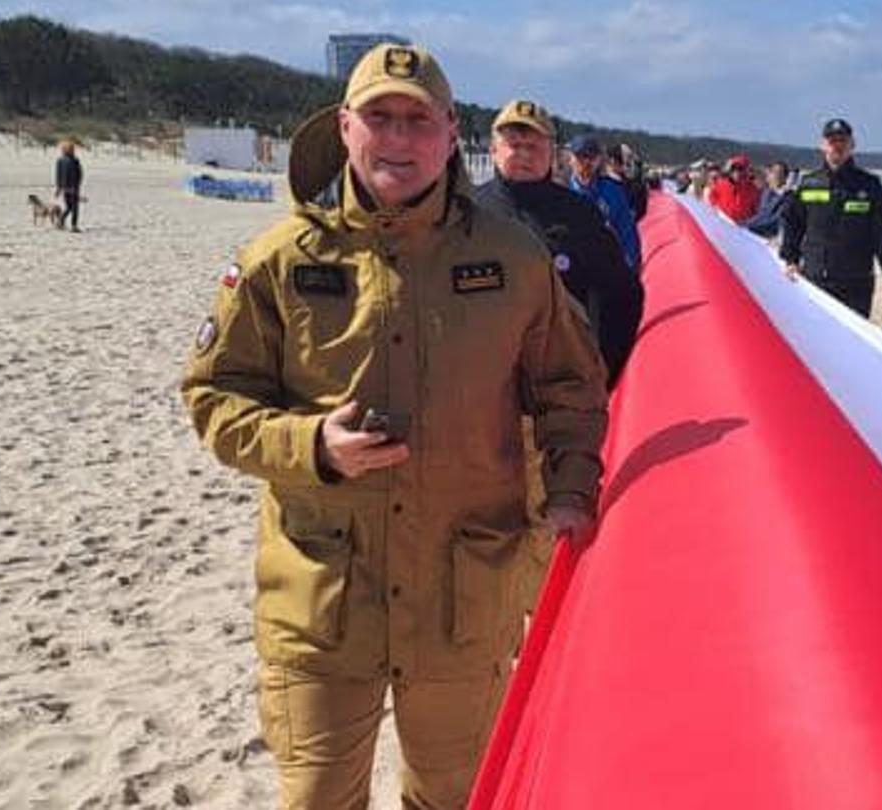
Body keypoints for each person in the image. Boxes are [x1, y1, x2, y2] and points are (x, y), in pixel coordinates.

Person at [178, 43, 609, 810]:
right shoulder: (279, 259)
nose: (399, 139)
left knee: (454, 799)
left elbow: (571, 386)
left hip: (462, 597)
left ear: (451, 134)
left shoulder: (515, 260)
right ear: (345, 127)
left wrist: (573, 487)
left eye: (418, 120)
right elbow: (214, 400)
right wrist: (311, 446)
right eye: (380, 117)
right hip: (321, 602)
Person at [476, 99, 646, 388]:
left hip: (558, 391)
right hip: (481, 389)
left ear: (552, 155)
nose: (524, 155)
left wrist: (601, 370)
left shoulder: (579, 215)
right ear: (493, 150)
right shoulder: (466, 211)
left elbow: (623, 295)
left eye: (535, 147)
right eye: (514, 145)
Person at [778, 118, 882, 318]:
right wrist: (790, 258)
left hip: (856, 283)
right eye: (832, 141)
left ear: (852, 145)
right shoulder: (808, 183)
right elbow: (793, 223)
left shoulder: (869, 185)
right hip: (815, 280)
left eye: (842, 141)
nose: (837, 146)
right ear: (823, 145)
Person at [567, 135, 643, 272]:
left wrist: (628, 269)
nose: (586, 162)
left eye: (591, 157)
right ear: (570, 159)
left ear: (599, 160)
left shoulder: (612, 191)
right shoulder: (561, 190)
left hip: (606, 271)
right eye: (580, 157)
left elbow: (627, 234)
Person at [742, 160, 792, 239]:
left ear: (785, 178)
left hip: (769, 239)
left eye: (779, 173)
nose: (775, 175)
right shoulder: (765, 193)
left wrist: (746, 226)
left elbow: (772, 221)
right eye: (773, 172)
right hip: (756, 235)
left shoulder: (789, 199)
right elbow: (760, 214)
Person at [707, 154, 761, 224]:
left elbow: (756, 210)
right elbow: (711, 200)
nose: (737, 172)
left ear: (746, 170)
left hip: (742, 227)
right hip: (723, 224)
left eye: (740, 169)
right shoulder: (721, 185)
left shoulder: (752, 189)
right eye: (734, 168)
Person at [607, 142, 649, 222]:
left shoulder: (636, 186)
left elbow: (640, 211)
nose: (629, 164)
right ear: (613, 161)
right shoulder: (600, 183)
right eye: (627, 159)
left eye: (631, 159)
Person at [54, 139, 83, 232]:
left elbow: (58, 175)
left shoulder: (64, 160)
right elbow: (78, 174)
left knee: (70, 207)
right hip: (70, 187)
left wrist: (59, 187)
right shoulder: (72, 160)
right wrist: (59, 187)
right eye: (71, 148)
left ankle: (61, 221)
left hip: (68, 186)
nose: (72, 149)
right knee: (73, 207)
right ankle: (73, 226)